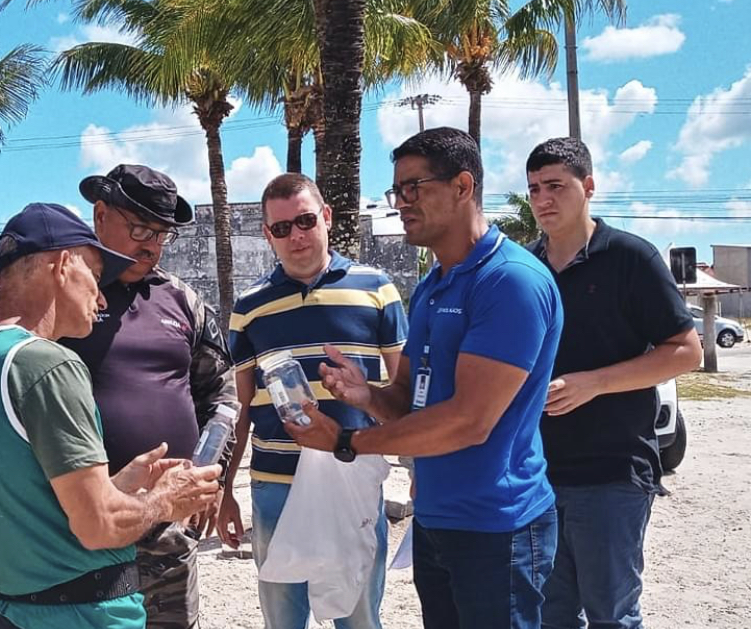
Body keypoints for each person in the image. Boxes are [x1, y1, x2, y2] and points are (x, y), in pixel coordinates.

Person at [288, 127, 563, 629]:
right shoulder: (434, 285)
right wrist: (365, 394)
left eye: (414, 188)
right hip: (436, 520)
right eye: (398, 190)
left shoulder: (511, 282)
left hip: (497, 527)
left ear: (463, 186)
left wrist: (347, 440)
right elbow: (411, 404)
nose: (401, 203)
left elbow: (468, 422)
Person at [0, 202, 222, 629]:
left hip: (12, 606)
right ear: (63, 264)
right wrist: (164, 501)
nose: (102, 296)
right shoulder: (47, 365)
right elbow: (97, 527)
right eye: (95, 275)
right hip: (84, 611)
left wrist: (119, 484)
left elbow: (28, 500)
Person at [525, 138, 702, 629]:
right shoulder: (524, 268)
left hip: (612, 471)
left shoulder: (631, 258)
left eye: (556, 186)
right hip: (535, 473)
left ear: (589, 187)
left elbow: (686, 351)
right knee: (549, 613)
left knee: (611, 614)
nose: (543, 199)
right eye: (535, 188)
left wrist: (595, 383)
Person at [217, 172, 408, 629]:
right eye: (281, 228)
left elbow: (404, 394)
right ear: (267, 235)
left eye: (304, 221)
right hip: (273, 485)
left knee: (360, 619)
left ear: (325, 217)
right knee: (283, 620)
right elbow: (241, 409)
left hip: (353, 478)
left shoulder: (376, 289)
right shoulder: (249, 306)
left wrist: (421, 469)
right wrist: (225, 490)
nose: (295, 236)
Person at [65, 164, 236, 629]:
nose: (152, 245)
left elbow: (221, 397)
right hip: (84, 527)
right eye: (140, 227)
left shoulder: (182, 300)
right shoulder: (65, 294)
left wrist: (207, 474)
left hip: (169, 533)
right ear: (100, 215)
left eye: (162, 234)